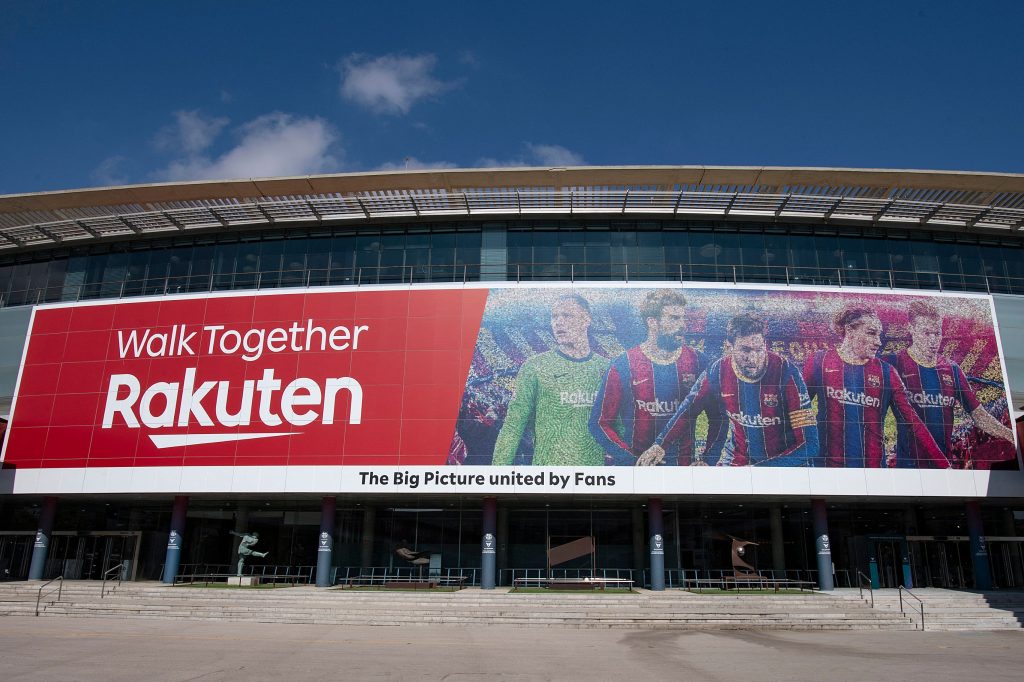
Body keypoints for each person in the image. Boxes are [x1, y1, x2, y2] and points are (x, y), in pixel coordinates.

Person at [637, 313, 818, 466]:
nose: (753, 358)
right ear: (729, 346)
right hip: (740, 460)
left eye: (759, 349)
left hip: (784, 463)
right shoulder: (718, 371)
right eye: (745, 350)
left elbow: (810, 444)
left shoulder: (786, 373)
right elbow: (688, 408)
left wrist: (761, 471)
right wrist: (660, 444)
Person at [802, 306, 949, 468]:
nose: (878, 342)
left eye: (879, 335)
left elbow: (913, 423)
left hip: (872, 472)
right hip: (826, 469)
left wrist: (944, 465)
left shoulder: (887, 372)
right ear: (850, 330)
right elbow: (797, 412)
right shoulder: (819, 361)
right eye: (871, 333)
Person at [885, 300, 1014, 468]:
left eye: (936, 333)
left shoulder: (952, 369)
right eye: (926, 333)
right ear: (912, 329)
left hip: (943, 466)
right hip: (909, 466)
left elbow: (979, 416)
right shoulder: (894, 362)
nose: (933, 340)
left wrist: (1011, 435)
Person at [589, 290, 710, 465]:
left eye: (683, 318)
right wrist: (630, 460)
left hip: (684, 470)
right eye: (674, 318)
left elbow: (719, 415)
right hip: (637, 471)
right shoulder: (624, 364)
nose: (683, 325)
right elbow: (599, 423)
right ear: (652, 322)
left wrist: (707, 459)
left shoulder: (699, 361)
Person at [491, 294, 609, 466]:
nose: (558, 322)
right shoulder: (534, 367)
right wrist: (496, 476)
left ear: (586, 320)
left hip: (593, 481)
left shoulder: (607, 368)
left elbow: (619, 427)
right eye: (554, 316)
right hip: (547, 480)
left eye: (567, 315)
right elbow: (512, 428)